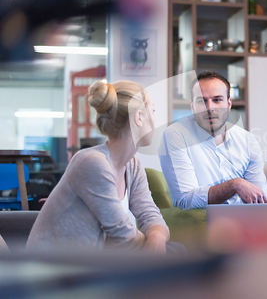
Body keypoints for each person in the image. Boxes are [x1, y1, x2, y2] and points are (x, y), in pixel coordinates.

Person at [159, 71, 267, 240]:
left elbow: (260, 195)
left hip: (251, 220)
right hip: (210, 224)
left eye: (217, 100)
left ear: (229, 104)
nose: (209, 108)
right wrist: (235, 185)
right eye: (201, 101)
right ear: (192, 106)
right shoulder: (176, 135)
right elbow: (185, 200)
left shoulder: (246, 140)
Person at [27, 80, 171, 253]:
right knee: (175, 253)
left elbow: (151, 216)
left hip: (94, 266)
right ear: (139, 117)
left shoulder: (133, 167)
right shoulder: (92, 163)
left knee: (174, 251)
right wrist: (154, 246)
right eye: (152, 111)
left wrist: (157, 237)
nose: (154, 120)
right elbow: (123, 236)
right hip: (54, 269)